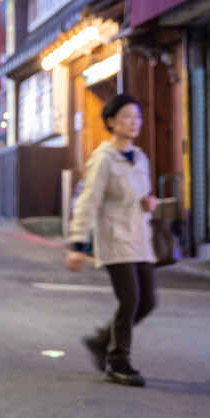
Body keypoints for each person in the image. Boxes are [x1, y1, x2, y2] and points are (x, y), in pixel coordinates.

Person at [67, 92, 157, 387]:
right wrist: (78, 244)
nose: (135, 122)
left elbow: (139, 193)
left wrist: (147, 203)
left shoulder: (140, 157)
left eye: (138, 116)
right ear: (111, 121)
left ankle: (102, 340)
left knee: (148, 301)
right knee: (130, 299)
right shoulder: (103, 159)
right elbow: (87, 202)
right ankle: (118, 362)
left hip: (140, 239)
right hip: (115, 239)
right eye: (127, 116)